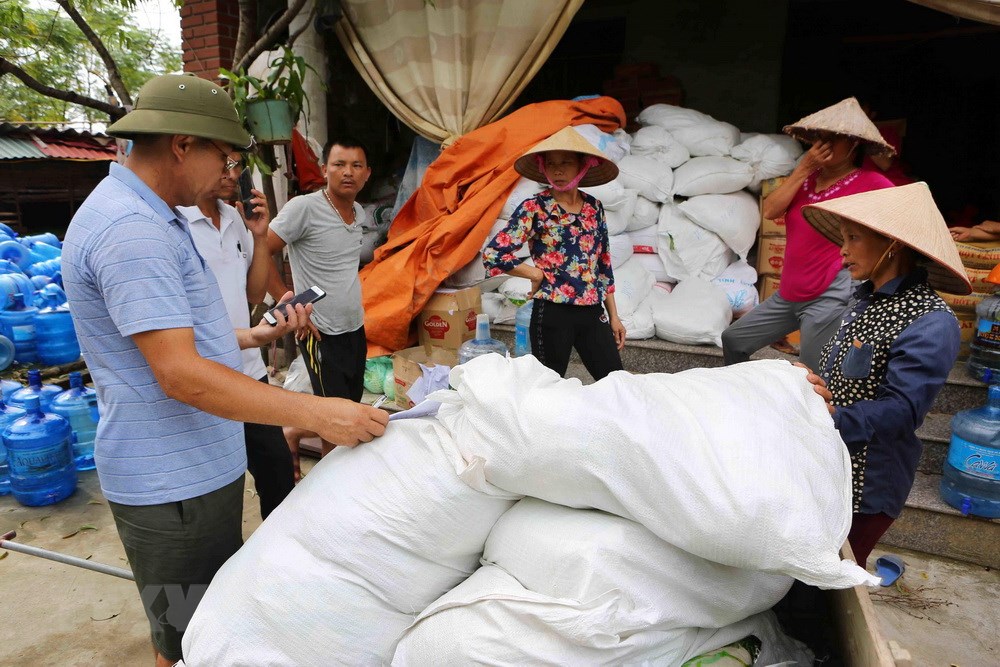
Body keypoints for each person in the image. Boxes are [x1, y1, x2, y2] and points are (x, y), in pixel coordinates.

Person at [61, 74, 388, 667]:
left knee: (213, 627)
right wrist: (317, 413)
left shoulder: (158, 216)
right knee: (187, 641)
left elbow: (188, 338)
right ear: (183, 145)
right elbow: (181, 374)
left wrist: (253, 334)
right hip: (170, 486)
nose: (231, 172)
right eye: (226, 155)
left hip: (196, 472)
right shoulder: (130, 231)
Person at [802, 181, 970, 567]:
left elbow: (902, 409)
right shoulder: (862, 302)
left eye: (854, 237)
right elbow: (842, 378)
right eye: (842, 238)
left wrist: (834, 417)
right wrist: (807, 379)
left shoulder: (931, 321)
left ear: (892, 244)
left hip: (868, 483)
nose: (842, 250)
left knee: (835, 578)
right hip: (829, 462)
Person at [722, 96, 896, 372]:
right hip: (789, 292)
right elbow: (769, 211)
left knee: (811, 370)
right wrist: (803, 168)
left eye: (833, 139)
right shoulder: (805, 181)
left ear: (853, 144)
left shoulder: (871, 183)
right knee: (733, 339)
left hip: (830, 293)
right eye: (819, 138)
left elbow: (897, 228)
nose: (822, 146)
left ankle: (812, 415)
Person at [178, 154, 296, 519]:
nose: (233, 175)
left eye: (238, 166)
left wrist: (260, 236)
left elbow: (253, 293)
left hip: (247, 368)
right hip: (204, 373)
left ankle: (278, 555)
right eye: (225, 164)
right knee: (216, 490)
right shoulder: (176, 223)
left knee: (276, 470)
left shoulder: (233, 218)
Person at [483, 125, 626, 380]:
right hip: (552, 313)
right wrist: (534, 273)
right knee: (548, 387)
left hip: (592, 313)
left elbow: (603, 265)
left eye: (566, 163)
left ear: (583, 166)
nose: (557, 170)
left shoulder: (594, 208)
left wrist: (614, 316)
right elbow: (494, 254)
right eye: (550, 164)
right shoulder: (535, 208)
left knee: (616, 381)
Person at [265, 137, 371, 455]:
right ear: (325, 170)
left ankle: (292, 433)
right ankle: (334, 492)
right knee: (334, 421)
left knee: (349, 408)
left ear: (367, 174)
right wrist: (289, 302)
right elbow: (262, 251)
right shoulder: (304, 208)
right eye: (339, 164)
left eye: (356, 165)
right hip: (318, 331)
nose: (348, 172)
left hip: (354, 326)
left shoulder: (360, 214)